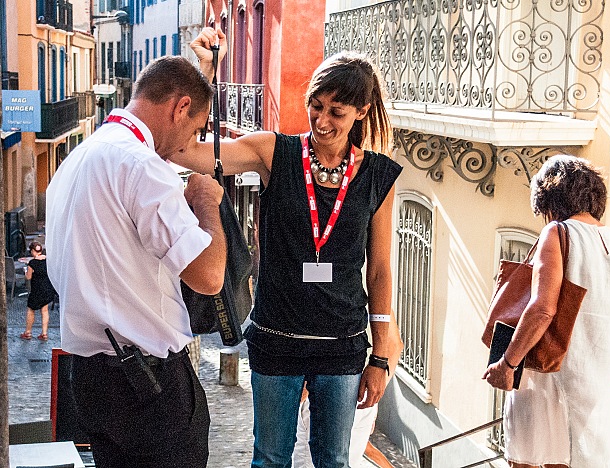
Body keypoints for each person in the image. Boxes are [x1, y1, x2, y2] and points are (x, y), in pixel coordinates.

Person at [178, 27, 403, 467]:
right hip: (277, 339)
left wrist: (381, 353)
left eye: (336, 112)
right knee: (269, 459)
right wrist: (205, 73)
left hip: (343, 344)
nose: (321, 122)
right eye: (316, 107)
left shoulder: (378, 175)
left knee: (334, 460)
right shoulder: (272, 152)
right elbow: (186, 150)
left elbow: (378, 270)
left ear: (362, 111)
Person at [45, 55, 226, 468]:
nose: (185, 146)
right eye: (193, 130)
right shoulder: (140, 166)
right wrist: (205, 204)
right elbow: (210, 275)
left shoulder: (76, 159)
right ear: (180, 107)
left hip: (91, 378)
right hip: (148, 386)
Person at [483, 155, 610, 468]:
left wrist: (507, 363)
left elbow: (543, 310)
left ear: (548, 199)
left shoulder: (558, 233)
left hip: (546, 381)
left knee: (528, 461)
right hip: (596, 387)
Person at [292, 310, 403, 468]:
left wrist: (301, 392)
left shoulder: (329, 292)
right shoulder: (376, 295)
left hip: (326, 392)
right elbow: (395, 345)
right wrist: (374, 389)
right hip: (361, 394)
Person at [19, 241, 56, 341]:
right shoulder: (48, 260)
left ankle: (28, 332)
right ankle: (44, 333)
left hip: (36, 290)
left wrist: (26, 271)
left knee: (31, 310)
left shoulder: (32, 263)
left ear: (32, 251)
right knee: (44, 310)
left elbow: (28, 277)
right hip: (47, 288)